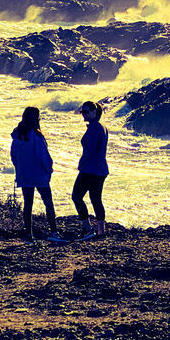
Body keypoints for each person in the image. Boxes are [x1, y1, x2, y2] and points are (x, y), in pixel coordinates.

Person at [10, 106, 58, 242]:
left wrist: (20, 169)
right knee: (48, 203)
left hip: (25, 175)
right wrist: (49, 170)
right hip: (39, 174)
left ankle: (28, 235)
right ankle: (54, 232)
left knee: (28, 204)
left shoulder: (17, 135)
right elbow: (43, 156)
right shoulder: (36, 136)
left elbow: (13, 156)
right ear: (36, 119)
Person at [71, 100, 108, 238]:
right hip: (101, 169)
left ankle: (87, 229)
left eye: (86, 112)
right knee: (96, 199)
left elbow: (90, 150)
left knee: (76, 197)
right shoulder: (102, 127)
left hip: (90, 169)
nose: (83, 115)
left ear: (94, 112)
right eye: (82, 112)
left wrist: (82, 163)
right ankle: (100, 231)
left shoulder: (94, 128)